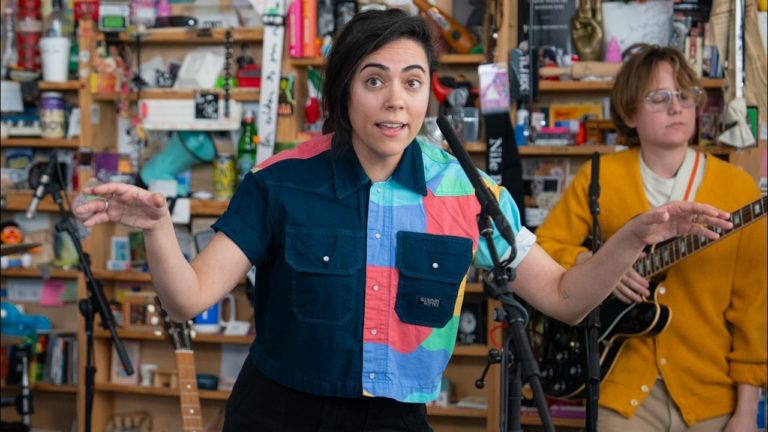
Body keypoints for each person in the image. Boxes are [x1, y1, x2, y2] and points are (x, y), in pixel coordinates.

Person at [74, 13, 733, 431]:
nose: (396, 100)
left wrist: (635, 235)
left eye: (413, 82)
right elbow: (187, 299)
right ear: (343, 93)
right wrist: (157, 230)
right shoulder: (280, 181)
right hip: (276, 412)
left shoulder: (468, 192)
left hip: (394, 420)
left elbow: (565, 297)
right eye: (375, 80)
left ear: (428, 95)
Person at [535, 43, 766, 432]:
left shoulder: (738, 188)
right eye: (659, 97)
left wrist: (747, 409)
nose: (676, 107)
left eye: (684, 95)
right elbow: (543, 248)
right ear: (629, 113)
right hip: (620, 392)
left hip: (712, 393)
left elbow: (753, 308)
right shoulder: (600, 176)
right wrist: (598, 267)